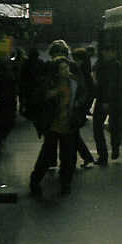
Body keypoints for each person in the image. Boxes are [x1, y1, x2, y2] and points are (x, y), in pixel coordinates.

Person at [29, 55, 91, 196]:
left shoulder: (73, 82)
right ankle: (35, 181)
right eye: (62, 68)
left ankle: (65, 184)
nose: (65, 70)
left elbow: (83, 94)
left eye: (66, 67)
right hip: (53, 124)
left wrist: (78, 105)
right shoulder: (50, 83)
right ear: (56, 71)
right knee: (46, 155)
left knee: (67, 157)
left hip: (68, 123)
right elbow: (40, 98)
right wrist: (53, 93)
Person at [92, 42, 122, 165]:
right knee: (114, 126)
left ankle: (103, 155)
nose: (104, 53)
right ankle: (115, 149)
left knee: (98, 127)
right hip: (115, 101)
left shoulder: (107, 65)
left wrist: (105, 100)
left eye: (106, 51)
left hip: (104, 100)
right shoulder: (118, 65)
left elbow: (109, 84)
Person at [71, 47, 97, 167]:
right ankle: (86, 157)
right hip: (81, 108)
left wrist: (79, 105)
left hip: (78, 108)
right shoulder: (85, 72)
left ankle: (85, 157)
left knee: (73, 134)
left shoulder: (80, 73)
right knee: (74, 134)